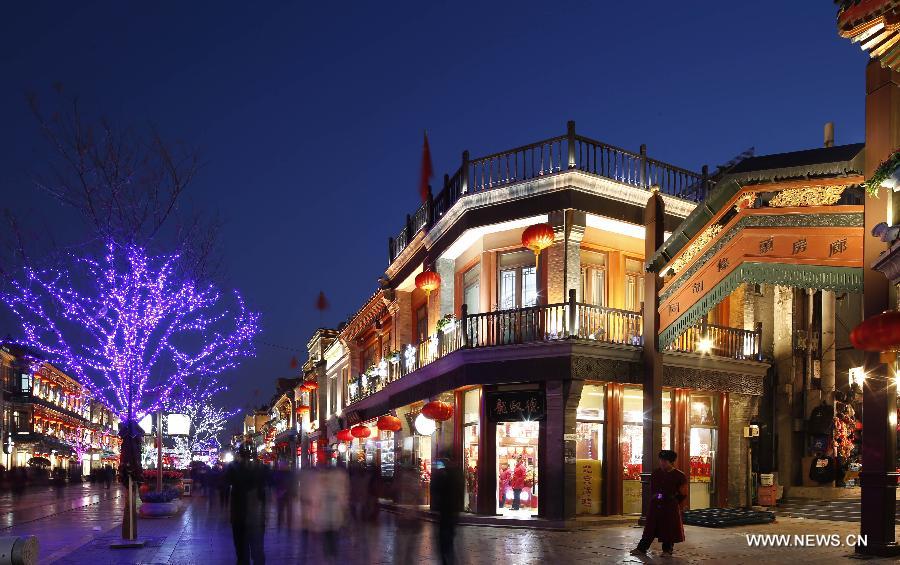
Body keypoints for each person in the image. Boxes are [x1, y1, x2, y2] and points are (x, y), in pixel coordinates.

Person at [632, 450, 688, 557]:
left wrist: (674, 501)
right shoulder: (656, 473)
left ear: (671, 462)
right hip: (655, 504)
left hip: (670, 505)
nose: (662, 463)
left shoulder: (679, 475)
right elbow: (652, 488)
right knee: (650, 527)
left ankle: (667, 550)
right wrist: (655, 497)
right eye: (661, 460)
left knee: (668, 527)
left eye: (665, 461)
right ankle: (641, 548)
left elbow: (683, 493)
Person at [227, 446, 268, 564]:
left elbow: (224, 481)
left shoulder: (234, 468)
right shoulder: (261, 468)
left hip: (240, 516)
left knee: (242, 551)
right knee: (257, 550)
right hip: (256, 516)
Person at [431, 454, 464, 565]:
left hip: (446, 511)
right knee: (448, 539)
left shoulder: (444, 474)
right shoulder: (457, 473)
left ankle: (447, 560)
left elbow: (436, 489)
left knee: (445, 540)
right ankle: (448, 559)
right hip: (452, 511)